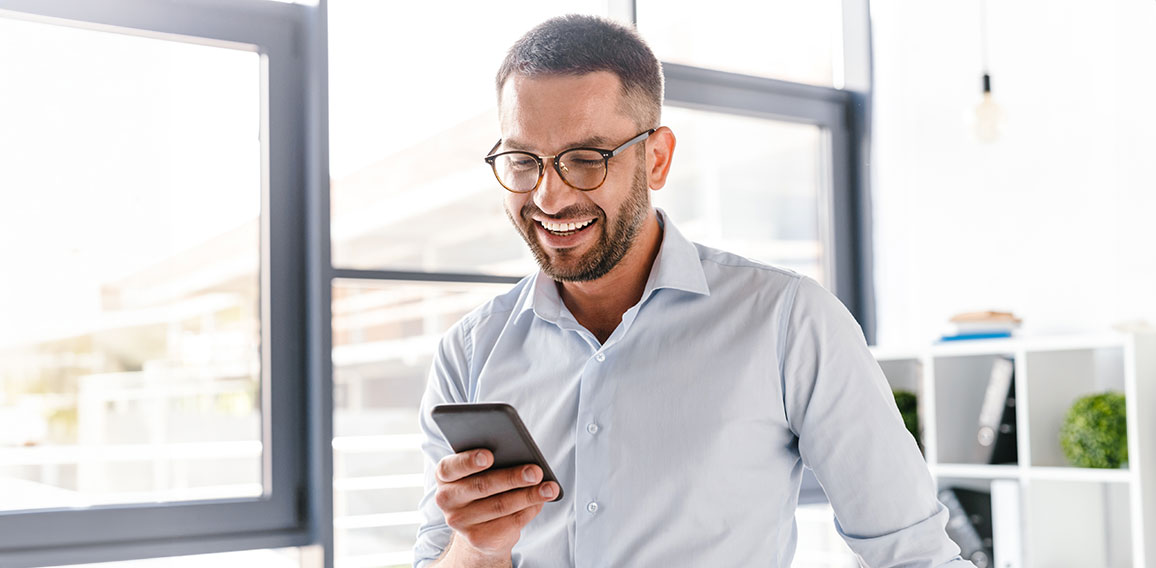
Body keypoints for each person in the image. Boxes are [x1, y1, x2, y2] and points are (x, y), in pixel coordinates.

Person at [414, 14, 974, 568]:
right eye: (522, 161)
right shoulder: (469, 352)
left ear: (655, 158)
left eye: (586, 160)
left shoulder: (788, 321)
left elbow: (915, 556)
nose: (550, 197)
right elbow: (435, 559)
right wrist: (477, 548)